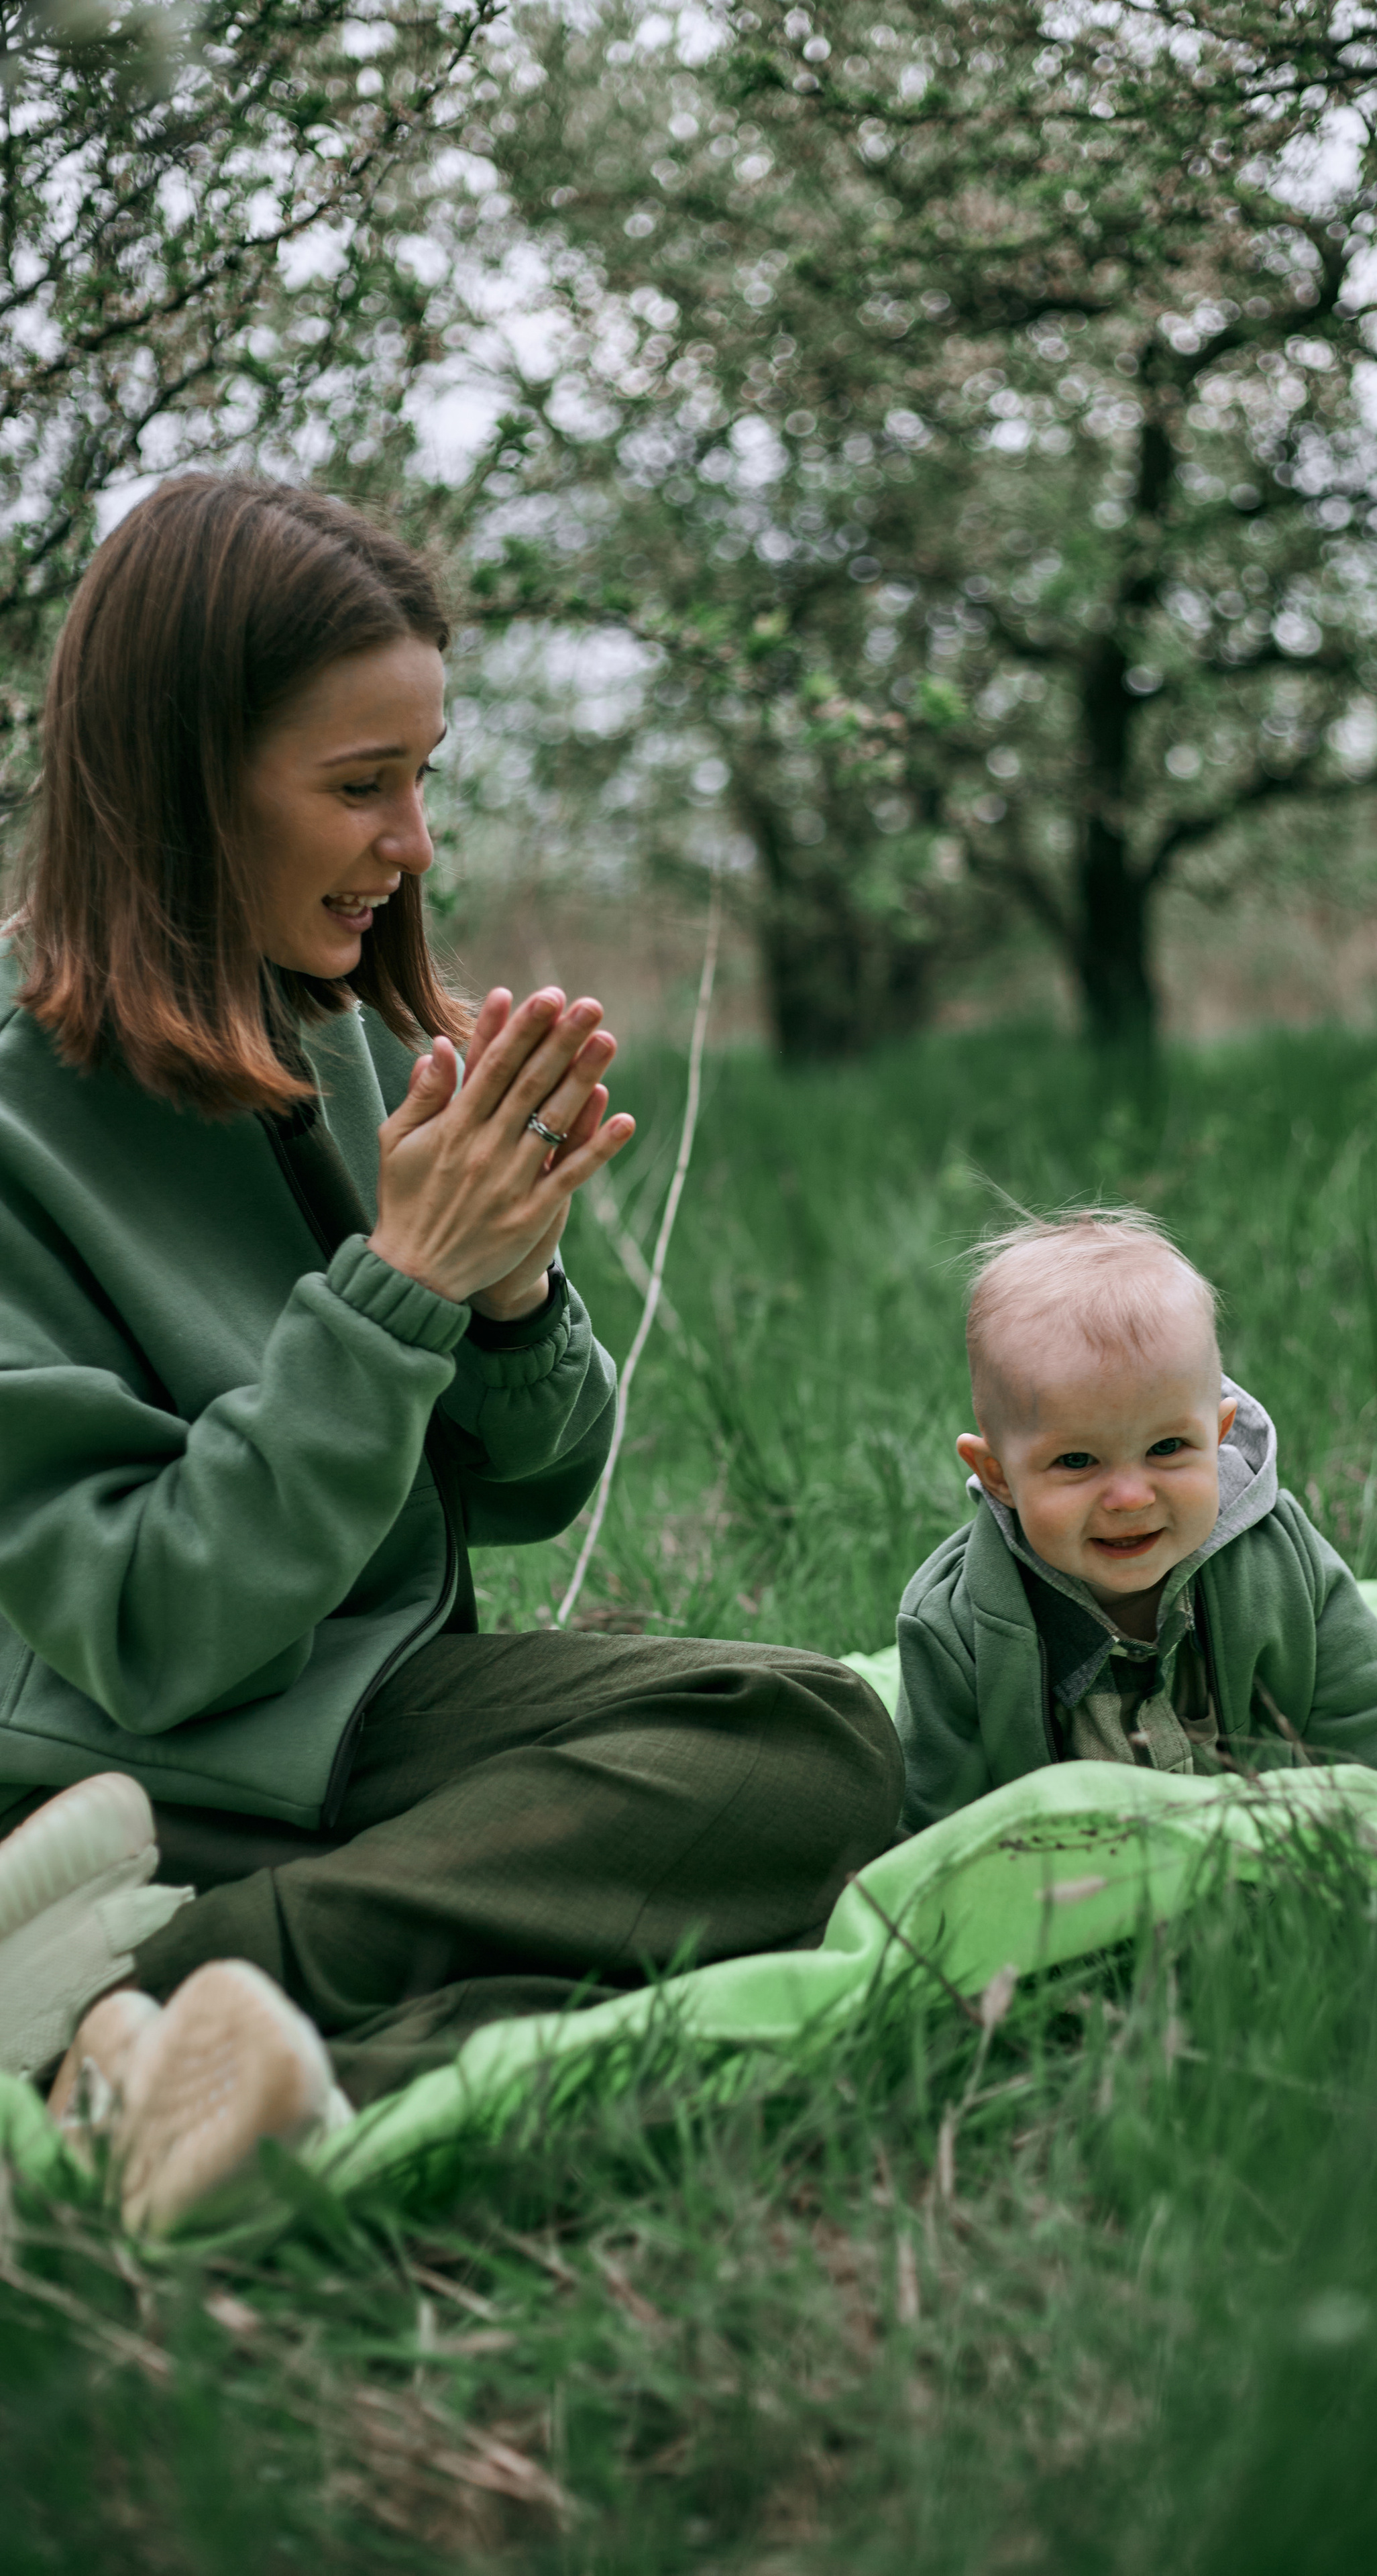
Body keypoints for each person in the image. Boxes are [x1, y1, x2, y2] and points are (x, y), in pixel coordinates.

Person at [0, 474, 901, 2224]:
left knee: (815, 1741)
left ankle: (175, 2061)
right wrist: (404, 1289)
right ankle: (166, 1994)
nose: (413, 843)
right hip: (126, 1792)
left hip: (354, 1726)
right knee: (786, 1775)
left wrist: (507, 1296)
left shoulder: (321, 1028)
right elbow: (149, 1626)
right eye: (359, 787)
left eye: (425, 777)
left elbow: (523, 1494)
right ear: (185, 788)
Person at [894, 1209, 1377, 1829]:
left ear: (1217, 1438)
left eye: (1168, 1449)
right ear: (1000, 1474)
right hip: (1086, 1848)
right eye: (1078, 1460)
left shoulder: (1278, 1549)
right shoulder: (952, 1622)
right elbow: (934, 1811)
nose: (1131, 1498)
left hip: (1256, 1803)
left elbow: (1368, 1713)